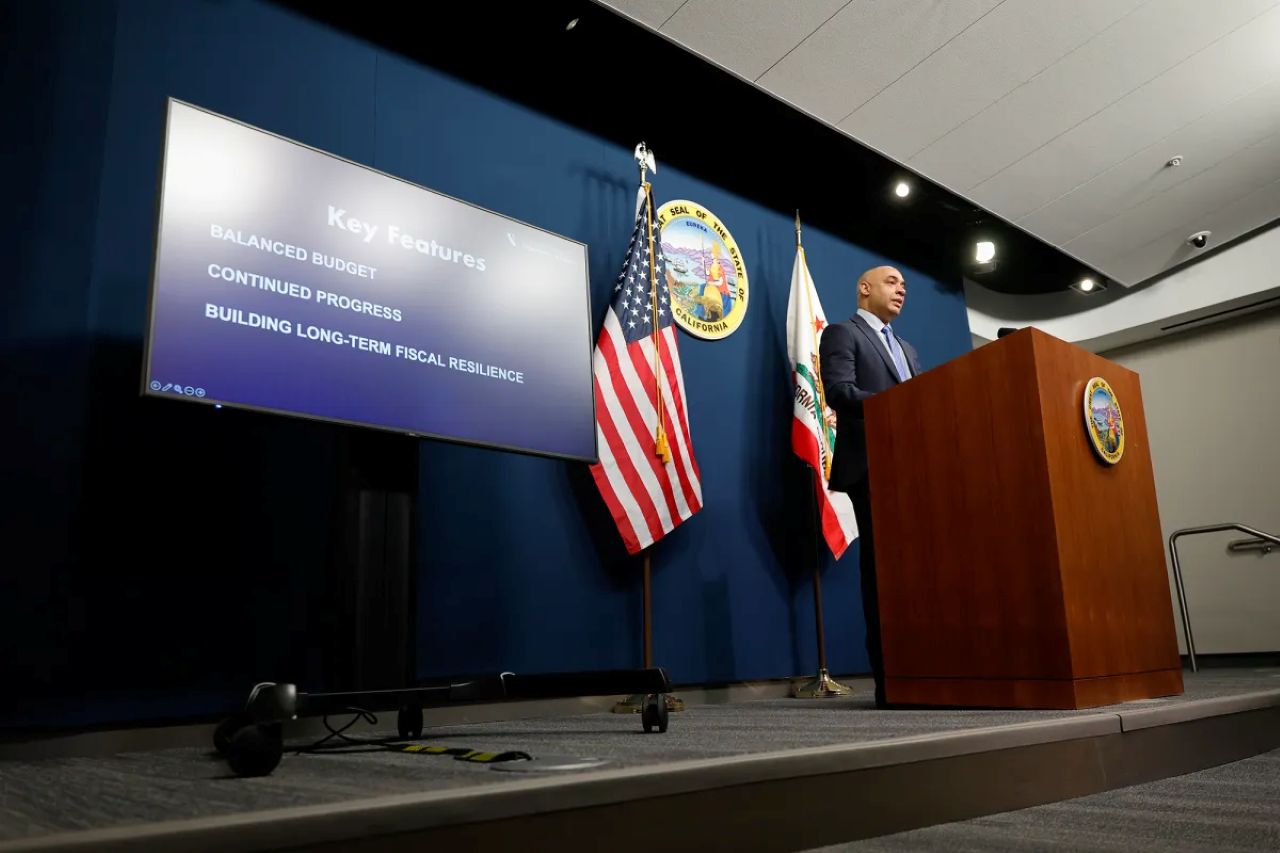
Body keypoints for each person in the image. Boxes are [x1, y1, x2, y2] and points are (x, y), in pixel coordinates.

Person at [818, 265, 922, 708]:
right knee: (883, 572)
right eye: (892, 282)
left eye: (904, 285)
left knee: (919, 574)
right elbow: (839, 392)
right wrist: (898, 406)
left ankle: (926, 672)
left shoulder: (909, 350)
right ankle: (890, 680)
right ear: (864, 289)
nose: (902, 289)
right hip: (873, 470)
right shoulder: (844, 334)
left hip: (916, 472)